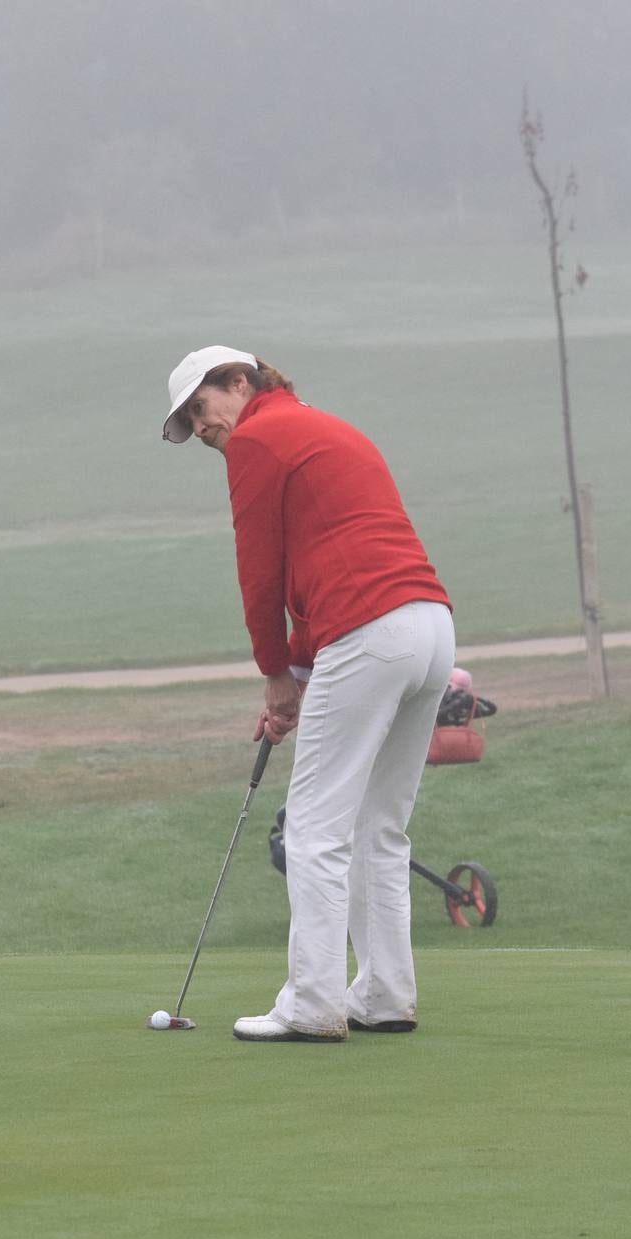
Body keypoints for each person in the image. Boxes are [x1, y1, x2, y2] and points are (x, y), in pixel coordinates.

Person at [160, 345, 456, 1043]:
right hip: (429, 627)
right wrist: (293, 678)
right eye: (189, 425)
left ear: (240, 382)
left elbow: (260, 571)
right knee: (376, 826)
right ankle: (383, 993)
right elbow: (315, 563)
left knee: (314, 828)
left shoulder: (258, 438)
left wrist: (272, 673)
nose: (202, 431)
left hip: (368, 629)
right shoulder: (324, 425)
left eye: (201, 410)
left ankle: (311, 1002)